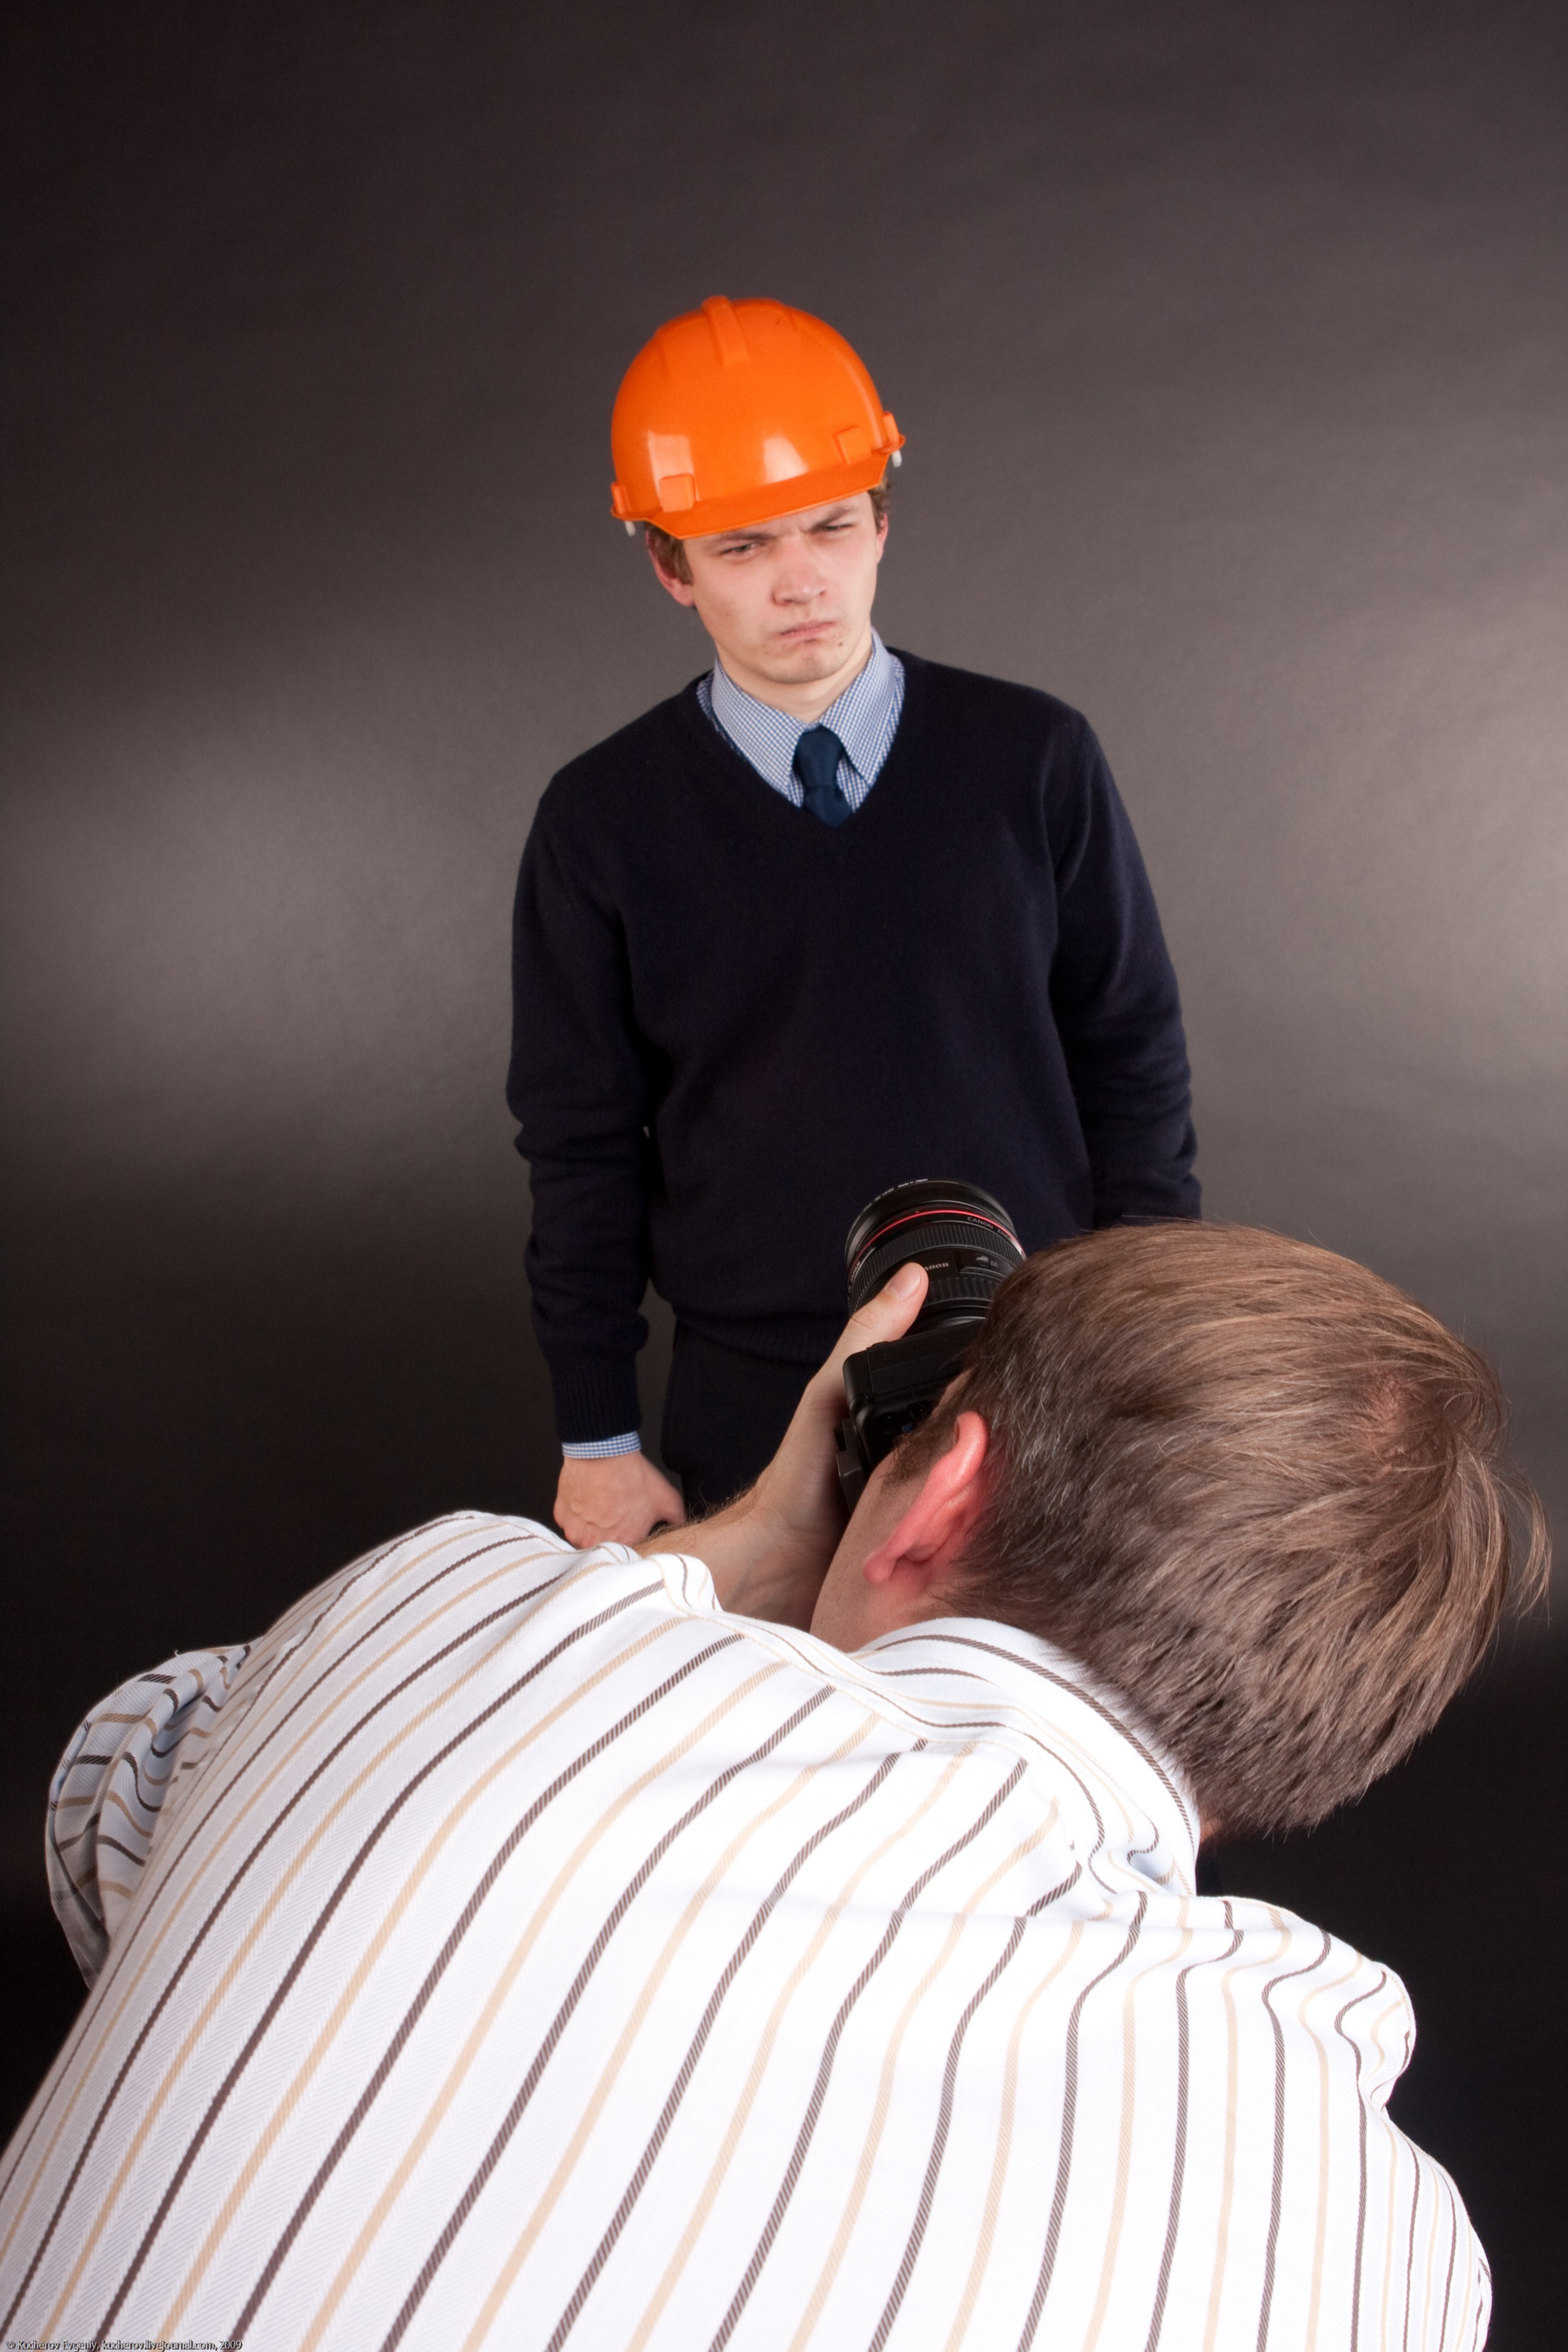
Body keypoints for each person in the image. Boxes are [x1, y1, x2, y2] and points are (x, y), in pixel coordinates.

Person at [2, 1223, 1542, 2350]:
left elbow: (118, 1806)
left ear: (940, 1489)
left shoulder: (458, 1620)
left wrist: (742, 1543)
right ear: (1330, 1744)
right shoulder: (1380, 2254)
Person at [508, 295, 1199, 1546]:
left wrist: (1146, 1343)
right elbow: (581, 1146)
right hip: (751, 1395)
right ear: (669, 567)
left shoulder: (1034, 758)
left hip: (1033, 1365)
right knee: (769, 1677)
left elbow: (1132, 1063)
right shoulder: (599, 821)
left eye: (832, 525)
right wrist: (596, 1436)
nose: (801, 581)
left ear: (882, 520)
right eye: (741, 547)